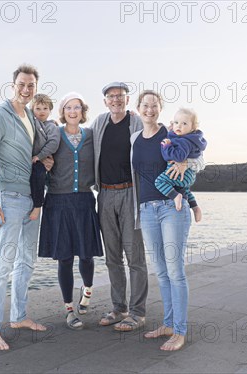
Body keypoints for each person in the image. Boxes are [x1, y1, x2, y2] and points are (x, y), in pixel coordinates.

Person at [0, 64, 47, 351]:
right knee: (4, 263)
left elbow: (32, 154)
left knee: (26, 261)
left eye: (31, 85)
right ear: (12, 85)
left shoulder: (31, 115)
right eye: (21, 84)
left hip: (32, 199)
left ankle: (18, 316)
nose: (26, 89)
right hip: (8, 198)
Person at [130, 90, 204, 351]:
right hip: (147, 209)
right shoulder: (135, 138)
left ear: (160, 109)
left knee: (175, 271)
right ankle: (169, 323)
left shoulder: (170, 133)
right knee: (161, 271)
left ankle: (180, 331)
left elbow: (199, 156)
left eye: (154, 105)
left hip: (172, 207)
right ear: (138, 108)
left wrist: (189, 165)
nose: (149, 109)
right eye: (145, 105)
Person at [38, 92, 103, 330]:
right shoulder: (53, 133)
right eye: (68, 108)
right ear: (63, 112)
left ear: (83, 111)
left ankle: (87, 290)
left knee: (86, 255)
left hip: (85, 201)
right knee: (64, 258)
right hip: (57, 202)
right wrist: (45, 162)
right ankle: (68, 309)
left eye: (77, 107)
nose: (73, 112)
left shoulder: (92, 135)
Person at [90, 82, 148, 332]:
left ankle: (137, 312)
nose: (116, 100)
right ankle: (119, 308)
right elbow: (78, 143)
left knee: (134, 257)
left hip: (130, 194)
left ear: (127, 100)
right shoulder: (98, 123)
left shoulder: (136, 123)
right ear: (105, 101)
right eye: (111, 96)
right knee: (112, 258)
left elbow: (155, 136)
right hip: (104, 195)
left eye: (120, 96)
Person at [154, 108, 207, 222]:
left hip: (180, 173)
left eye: (184, 123)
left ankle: (176, 196)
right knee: (185, 189)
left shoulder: (184, 141)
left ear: (193, 128)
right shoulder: (191, 139)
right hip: (188, 176)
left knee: (160, 182)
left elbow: (178, 157)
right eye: (176, 122)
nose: (179, 126)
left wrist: (167, 146)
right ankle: (195, 207)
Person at [29, 94, 60, 221]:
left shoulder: (51, 126)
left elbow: (53, 144)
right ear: (32, 110)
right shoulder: (31, 121)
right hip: (28, 160)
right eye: (38, 108)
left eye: (45, 108)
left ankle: (37, 206)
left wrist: (39, 156)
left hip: (41, 160)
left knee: (39, 176)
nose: (42, 111)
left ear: (50, 110)